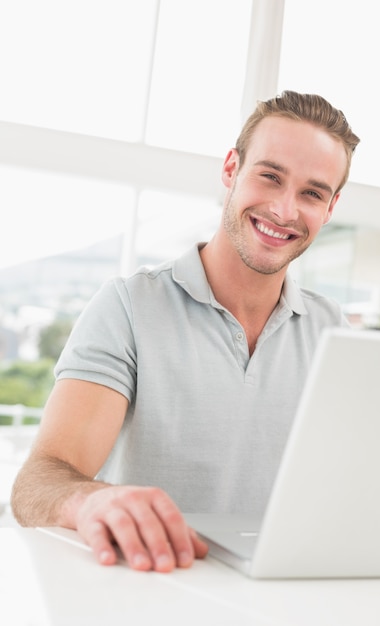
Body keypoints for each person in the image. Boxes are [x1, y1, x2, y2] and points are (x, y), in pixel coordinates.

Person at [11, 91, 360, 573]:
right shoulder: (129, 307)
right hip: (151, 589)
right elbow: (36, 485)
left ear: (331, 205)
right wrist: (87, 501)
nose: (284, 210)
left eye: (312, 193)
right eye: (270, 176)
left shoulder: (334, 333)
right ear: (231, 169)